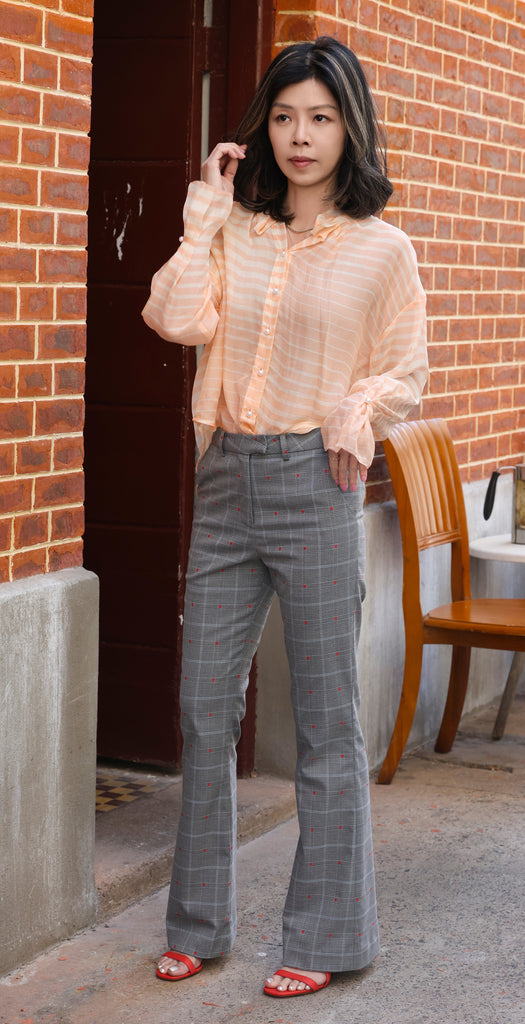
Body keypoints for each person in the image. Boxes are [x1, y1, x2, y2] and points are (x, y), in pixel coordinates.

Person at [142, 35, 428, 998]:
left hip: (317, 484)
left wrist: (356, 411)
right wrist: (204, 215)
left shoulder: (383, 251)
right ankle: (199, 923)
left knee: (324, 724)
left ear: (350, 127)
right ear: (263, 126)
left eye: (321, 117)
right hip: (227, 480)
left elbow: (406, 373)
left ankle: (325, 936)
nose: (301, 137)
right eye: (283, 116)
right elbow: (176, 320)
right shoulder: (236, 231)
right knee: (202, 710)